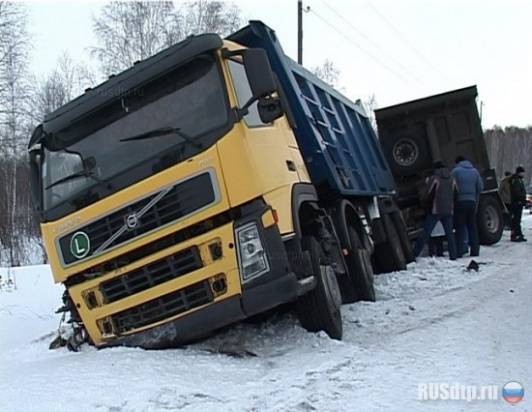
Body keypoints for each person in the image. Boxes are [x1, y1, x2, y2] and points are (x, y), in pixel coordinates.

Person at [413, 161, 457, 260]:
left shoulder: (434, 178)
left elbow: (428, 194)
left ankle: (415, 253)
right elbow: (456, 194)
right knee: (450, 234)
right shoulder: (452, 178)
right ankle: (453, 255)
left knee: (426, 232)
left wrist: (425, 206)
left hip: (436, 209)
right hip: (449, 210)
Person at [452, 156, 483, 257]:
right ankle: (475, 250)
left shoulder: (455, 171)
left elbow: (451, 187)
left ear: (457, 162)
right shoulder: (475, 171)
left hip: (460, 202)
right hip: (472, 202)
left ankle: (460, 250)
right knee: (472, 227)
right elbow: (480, 187)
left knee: (460, 226)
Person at [509, 166, 527, 242]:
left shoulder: (518, 179)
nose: (524, 174)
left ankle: (517, 233)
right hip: (516, 203)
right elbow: (516, 192)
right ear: (520, 172)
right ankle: (515, 235)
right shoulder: (516, 180)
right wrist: (520, 199)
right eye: (523, 172)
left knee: (517, 219)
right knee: (516, 219)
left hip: (518, 202)